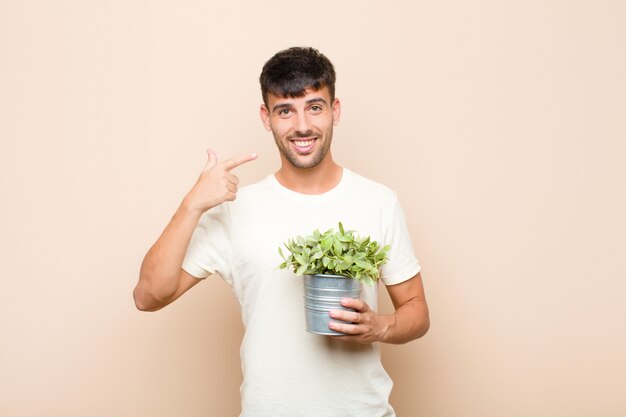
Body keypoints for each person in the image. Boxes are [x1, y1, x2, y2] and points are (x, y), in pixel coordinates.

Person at [134, 46, 430, 417]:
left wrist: (380, 326)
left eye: (315, 107)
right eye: (285, 110)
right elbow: (149, 296)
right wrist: (191, 204)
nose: (302, 125)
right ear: (266, 117)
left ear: (335, 111)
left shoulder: (379, 201)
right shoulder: (235, 209)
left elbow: (416, 311)